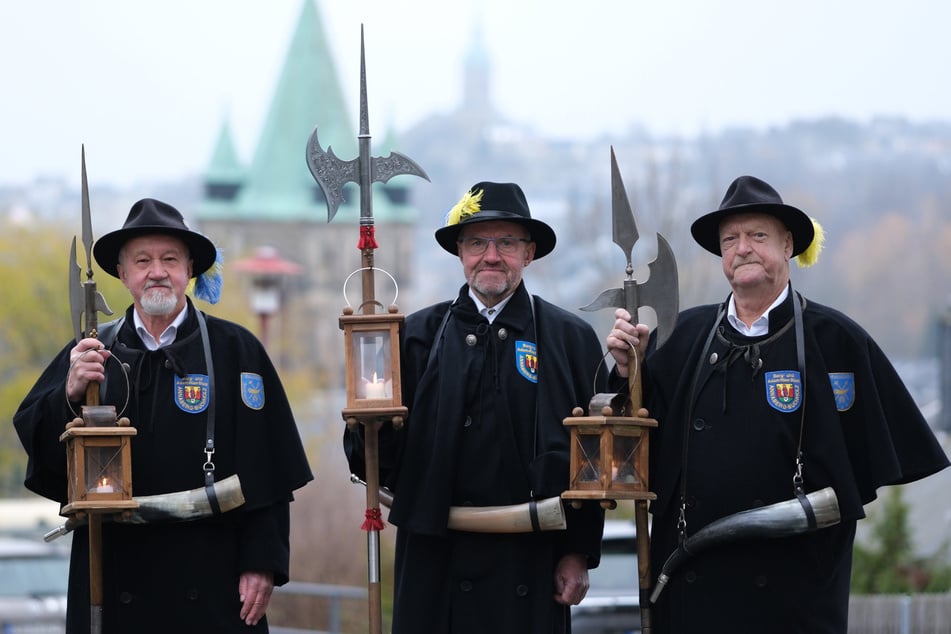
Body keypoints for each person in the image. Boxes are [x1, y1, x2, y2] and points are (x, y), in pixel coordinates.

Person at [607, 175, 950, 633]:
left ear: (788, 245)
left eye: (758, 236)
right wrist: (627, 372)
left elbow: (872, 465)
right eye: (731, 239)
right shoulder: (680, 338)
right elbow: (628, 440)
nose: (742, 248)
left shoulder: (838, 342)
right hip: (696, 593)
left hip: (796, 596)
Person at [14, 198, 314, 633]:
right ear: (122, 273)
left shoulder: (236, 351)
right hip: (113, 571)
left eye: (170, 258)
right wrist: (69, 393)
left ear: (190, 268)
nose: (157, 271)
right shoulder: (91, 353)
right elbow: (38, 447)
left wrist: (261, 562)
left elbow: (268, 468)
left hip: (213, 577)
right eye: (142, 260)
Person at [345, 181, 607, 633]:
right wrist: (369, 428)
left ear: (529, 253)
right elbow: (374, 464)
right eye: (476, 242)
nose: (491, 255)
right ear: (460, 253)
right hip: (436, 564)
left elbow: (592, 459)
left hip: (530, 563)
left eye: (506, 242)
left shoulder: (570, 339)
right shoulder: (412, 336)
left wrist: (577, 551)